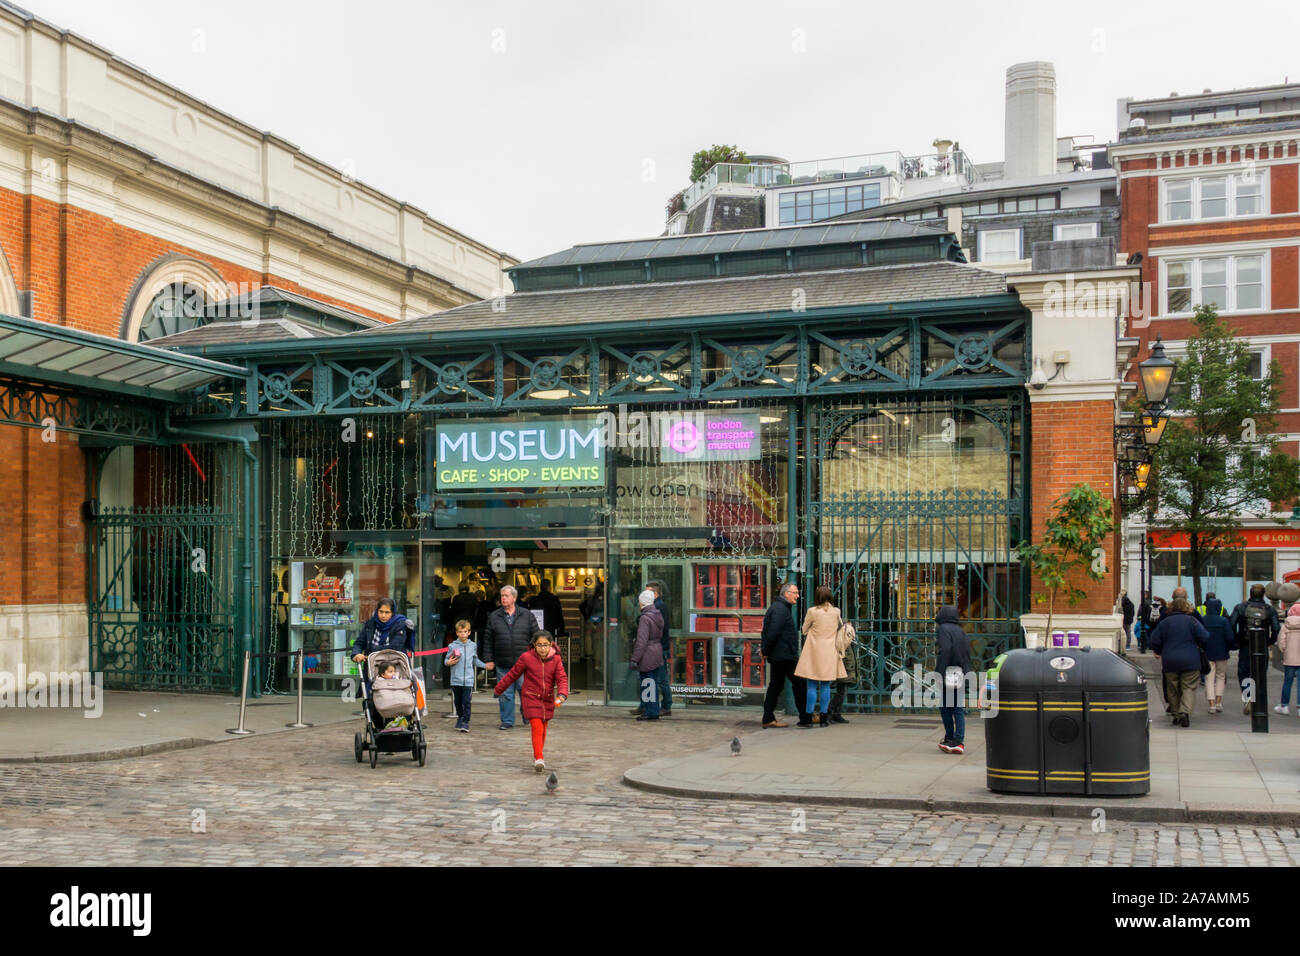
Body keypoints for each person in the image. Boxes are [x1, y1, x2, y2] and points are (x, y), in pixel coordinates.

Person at [493, 631, 568, 772]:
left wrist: (562, 694)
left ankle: (539, 754)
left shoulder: (556, 660)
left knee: (544, 728)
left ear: (551, 644)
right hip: (531, 696)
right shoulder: (526, 658)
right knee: (537, 726)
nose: (542, 648)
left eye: (545, 645)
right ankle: (539, 758)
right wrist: (499, 689)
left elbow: (562, 678)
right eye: (539, 645)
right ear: (534, 645)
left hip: (547, 699)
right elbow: (512, 674)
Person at [481, 584, 540, 731]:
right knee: (506, 694)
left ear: (514, 598)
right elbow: (487, 639)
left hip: (524, 663)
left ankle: (528, 716)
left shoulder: (527, 615)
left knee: (526, 692)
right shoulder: (494, 616)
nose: (503, 598)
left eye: (506, 596)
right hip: (503, 663)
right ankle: (507, 721)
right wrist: (488, 659)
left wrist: (536, 657)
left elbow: (536, 636)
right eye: (502, 596)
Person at [1148, 595, 1209, 727]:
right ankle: (1185, 712)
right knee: (1189, 687)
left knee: (1172, 688)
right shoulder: (1192, 621)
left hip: (1170, 660)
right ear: (1186, 607)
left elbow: (1154, 639)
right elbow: (1205, 636)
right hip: (1190, 659)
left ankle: (1175, 713)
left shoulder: (1165, 622)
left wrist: (1159, 650)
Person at [795, 586, 847, 728]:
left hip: (814, 652)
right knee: (826, 686)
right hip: (830, 652)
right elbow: (839, 627)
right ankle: (824, 718)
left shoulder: (812, 611)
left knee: (811, 685)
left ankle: (808, 717)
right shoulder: (836, 611)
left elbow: (805, 630)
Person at [760, 582, 809, 729]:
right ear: (786, 593)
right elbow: (772, 632)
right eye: (795, 593)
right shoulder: (780, 609)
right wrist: (765, 650)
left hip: (780, 653)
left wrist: (766, 650)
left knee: (776, 685)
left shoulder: (780, 607)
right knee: (799, 683)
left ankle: (768, 718)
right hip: (784, 655)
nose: (797, 596)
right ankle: (805, 717)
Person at [1230, 584, 1281, 715]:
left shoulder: (1241, 607)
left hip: (1246, 644)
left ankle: (1248, 697)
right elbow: (1276, 628)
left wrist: (1236, 640)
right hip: (1262, 644)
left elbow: (1231, 624)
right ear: (1263, 594)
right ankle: (1257, 701)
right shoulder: (1269, 609)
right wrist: (1270, 640)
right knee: (1260, 673)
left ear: (1250, 593)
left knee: (1244, 672)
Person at [631, 581, 674, 718]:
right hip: (656, 649)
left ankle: (652, 710)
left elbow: (642, 640)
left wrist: (634, 659)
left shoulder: (648, 616)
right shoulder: (657, 613)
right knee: (653, 681)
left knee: (651, 681)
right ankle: (649, 708)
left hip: (649, 652)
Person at [935, 605, 972, 754]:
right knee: (956, 707)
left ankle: (954, 739)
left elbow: (946, 649)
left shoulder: (943, 628)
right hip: (961, 672)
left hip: (949, 672)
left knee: (945, 706)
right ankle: (954, 740)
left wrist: (940, 671)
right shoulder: (960, 631)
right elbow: (967, 652)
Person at [446, 619, 487, 732]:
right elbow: (446, 659)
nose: (463, 634)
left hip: (468, 680)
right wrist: (448, 662)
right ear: (457, 633)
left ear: (469, 632)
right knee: (457, 702)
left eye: (465, 631)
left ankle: (465, 721)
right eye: (460, 632)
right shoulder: (452, 646)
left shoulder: (473, 646)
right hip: (456, 679)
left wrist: (485, 666)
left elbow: (475, 660)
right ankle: (460, 717)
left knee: (466, 702)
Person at [350, 598, 412, 662]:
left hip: (394, 666)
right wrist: (356, 654)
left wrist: (371, 650)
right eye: (381, 611)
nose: (383, 615)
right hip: (372, 666)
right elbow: (359, 643)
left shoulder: (400, 625)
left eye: (387, 612)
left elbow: (394, 647)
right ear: (377, 611)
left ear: (392, 613)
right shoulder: (371, 624)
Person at [1200, 594, 1233, 714]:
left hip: (1207, 652)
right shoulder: (1223, 621)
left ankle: (1211, 704)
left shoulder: (1202, 620)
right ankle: (1219, 702)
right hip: (1222, 652)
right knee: (1221, 676)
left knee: (1209, 678)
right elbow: (1230, 637)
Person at [1274, 604, 1300, 716]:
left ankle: (1284, 706)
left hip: (1290, 657)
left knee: (1287, 681)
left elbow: (1281, 642)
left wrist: (1285, 651)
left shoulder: (1286, 624)